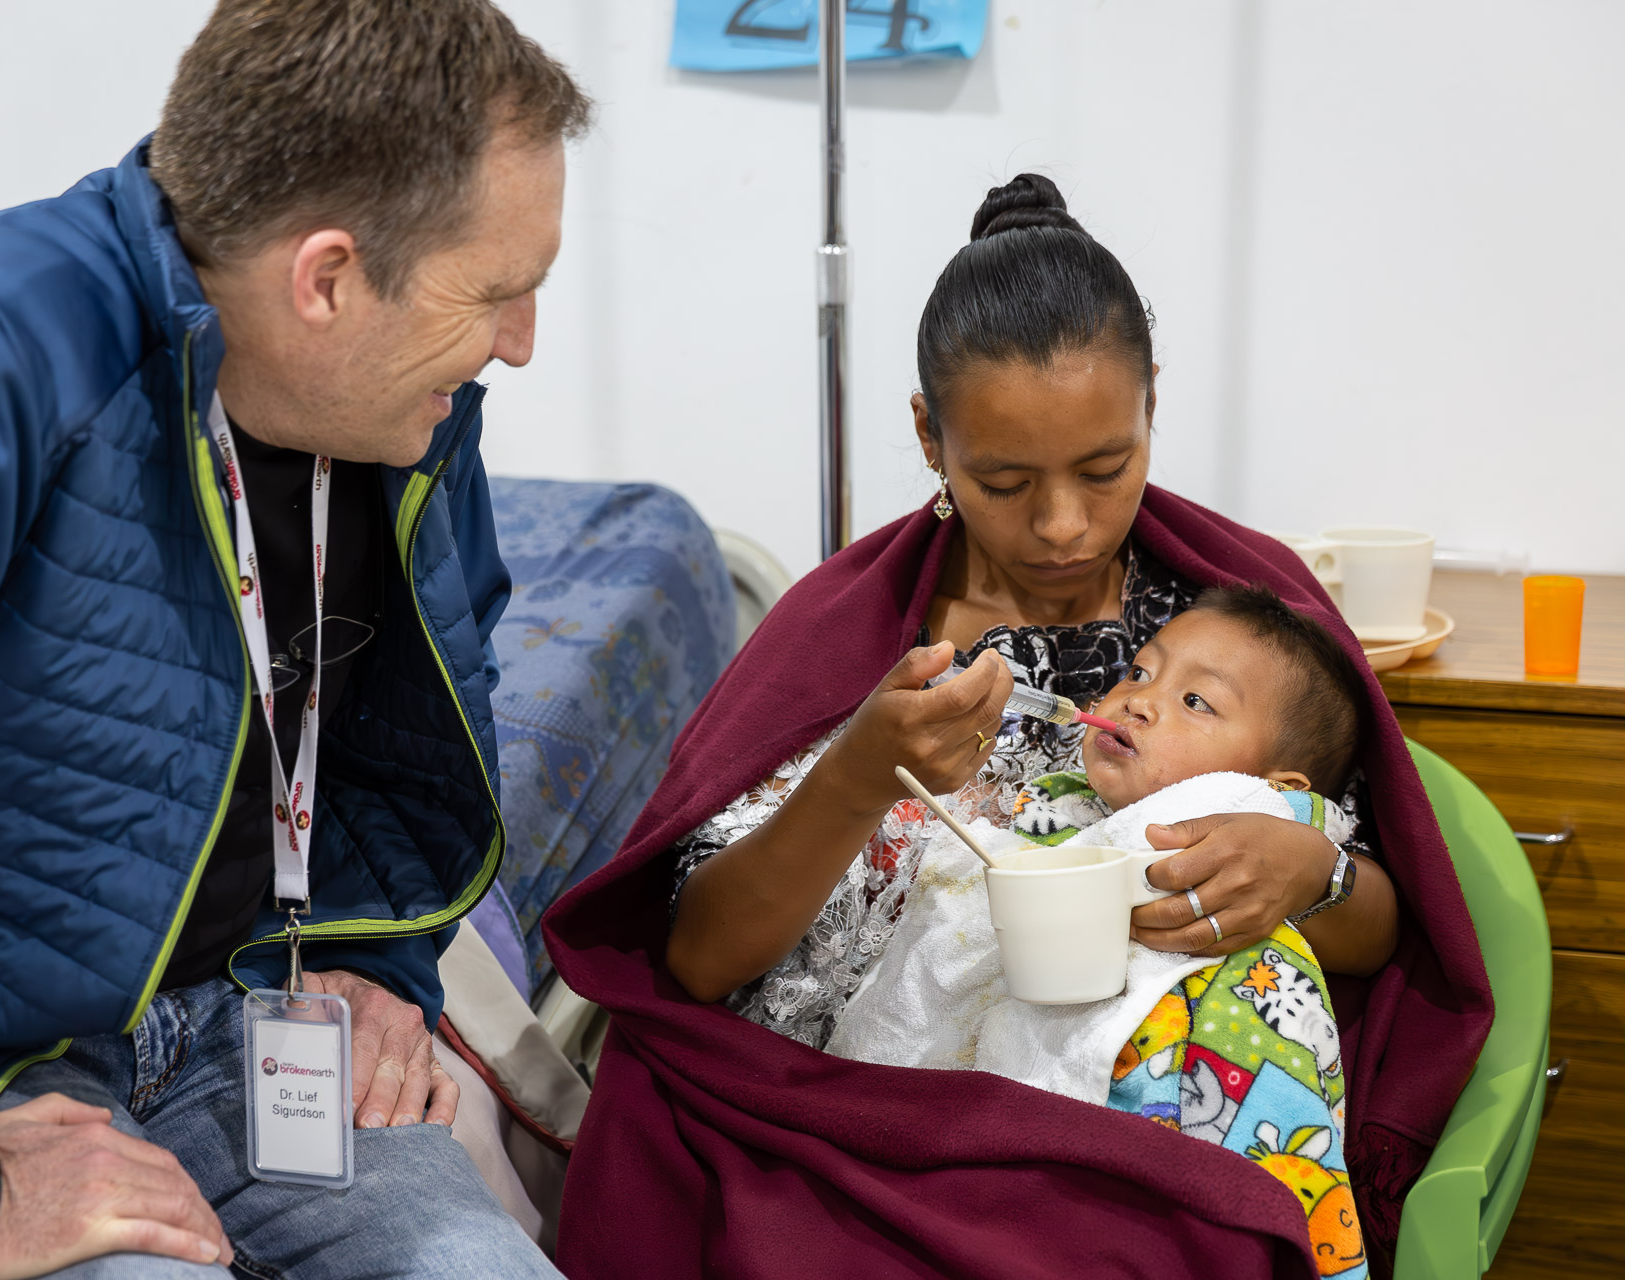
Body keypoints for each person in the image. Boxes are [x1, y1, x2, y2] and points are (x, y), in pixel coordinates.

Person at [0, 3, 590, 1278]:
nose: (518, 344)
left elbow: (403, 716)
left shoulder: (404, 407)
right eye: (496, 293)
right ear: (326, 279)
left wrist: (369, 955)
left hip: (244, 1018)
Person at [544, 175, 1492, 1279]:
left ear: (1151, 409)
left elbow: (1391, 935)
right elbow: (698, 963)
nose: (1063, 525)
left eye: (1106, 468)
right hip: (836, 1127)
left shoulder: (1236, 620)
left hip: (1132, 1131)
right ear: (928, 436)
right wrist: (857, 777)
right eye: (1003, 481)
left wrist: (1309, 869)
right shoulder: (844, 640)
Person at [825, 587, 1374, 1278]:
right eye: (1140, 672)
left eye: (1196, 701)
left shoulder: (1260, 873)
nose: (1138, 701)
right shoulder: (1049, 817)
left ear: (1274, 785)